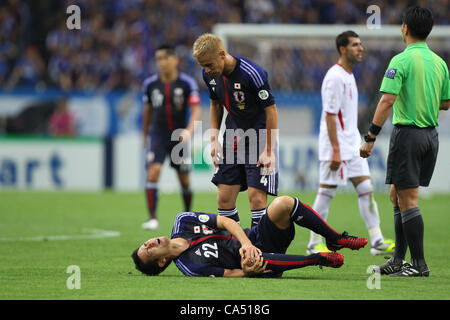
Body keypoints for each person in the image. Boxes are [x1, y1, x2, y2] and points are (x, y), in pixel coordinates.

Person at [360, 6, 449, 277]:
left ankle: (419, 265)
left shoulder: (401, 60)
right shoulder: (439, 63)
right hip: (430, 136)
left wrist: (370, 136)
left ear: (404, 29)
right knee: (396, 195)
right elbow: (445, 103)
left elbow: (387, 100)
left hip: (408, 135)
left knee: (408, 199)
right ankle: (398, 260)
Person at [306, 31, 394, 256]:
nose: (360, 48)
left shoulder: (348, 75)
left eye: (361, 44)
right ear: (343, 49)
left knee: (366, 188)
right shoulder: (334, 77)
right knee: (326, 192)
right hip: (335, 146)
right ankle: (314, 242)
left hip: (352, 142)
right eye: (355, 45)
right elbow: (330, 115)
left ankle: (376, 240)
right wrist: (335, 149)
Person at [131, 195, 368, 277]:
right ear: (162, 262)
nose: (150, 242)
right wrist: (247, 271)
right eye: (149, 250)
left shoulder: (183, 221)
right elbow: (229, 273)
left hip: (256, 237)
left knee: (284, 203)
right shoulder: (191, 267)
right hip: (254, 261)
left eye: (146, 243)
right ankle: (319, 259)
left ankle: (335, 238)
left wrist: (246, 242)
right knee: (255, 260)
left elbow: (224, 220)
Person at [192, 33, 279, 228]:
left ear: (222, 54)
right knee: (224, 199)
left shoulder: (252, 73)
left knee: (256, 198)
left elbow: (271, 110)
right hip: (232, 137)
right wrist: (214, 140)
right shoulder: (209, 75)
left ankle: (259, 249)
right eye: (203, 66)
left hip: (258, 137)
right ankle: (236, 246)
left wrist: (269, 150)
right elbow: (215, 106)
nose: (207, 70)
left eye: (209, 65)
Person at [141, 44, 201, 230]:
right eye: (159, 59)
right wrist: (144, 135)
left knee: (184, 179)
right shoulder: (150, 84)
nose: (162, 62)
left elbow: (196, 111)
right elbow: (147, 112)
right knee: (153, 172)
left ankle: (188, 217)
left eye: (166, 58)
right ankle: (152, 218)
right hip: (158, 136)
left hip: (178, 136)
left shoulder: (187, 84)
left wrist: (188, 131)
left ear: (175, 60)